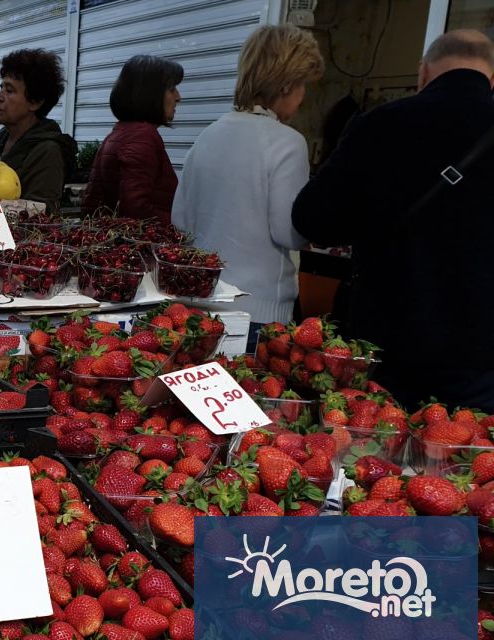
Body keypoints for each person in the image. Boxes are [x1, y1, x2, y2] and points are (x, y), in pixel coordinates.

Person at [292, 30, 494, 410]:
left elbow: (313, 218)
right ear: (491, 80)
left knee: (374, 457)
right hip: (481, 354)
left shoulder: (379, 124)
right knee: (470, 458)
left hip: (388, 339)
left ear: (423, 72)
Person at [172, 24, 323, 333]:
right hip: (260, 311)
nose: (303, 95)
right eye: (302, 84)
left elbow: (180, 221)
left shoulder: (208, 134)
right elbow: (289, 232)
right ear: (285, 85)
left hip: (198, 307)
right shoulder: (288, 142)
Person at [81, 55, 183, 223]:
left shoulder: (119, 133)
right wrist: (181, 225)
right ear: (151, 94)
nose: (178, 97)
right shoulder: (141, 138)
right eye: (172, 89)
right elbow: (136, 211)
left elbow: (92, 205)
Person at [0, 49, 77, 212]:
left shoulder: (47, 152)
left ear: (35, 102)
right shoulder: (2, 139)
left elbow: (40, 215)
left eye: (9, 90)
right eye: (1, 88)